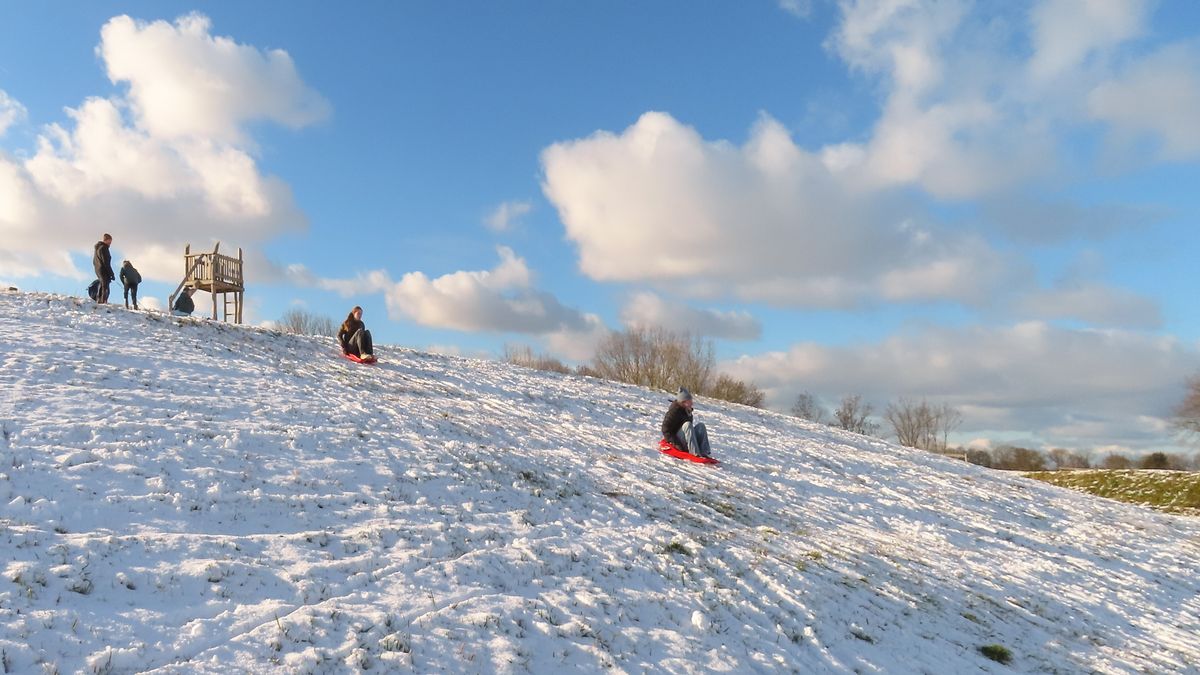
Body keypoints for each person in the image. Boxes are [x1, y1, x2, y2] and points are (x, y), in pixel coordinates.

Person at [661, 387, 712, 458]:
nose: (692, 403)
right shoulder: (674, 411)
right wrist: (676, 444)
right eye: (689, 401)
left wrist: (689, 413)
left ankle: (705, 452)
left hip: (685, 438)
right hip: (677, 439)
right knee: (687, 424)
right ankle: (695, 453)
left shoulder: (687, 410)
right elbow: (665, 429)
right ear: (683, 402)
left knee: (701, 426)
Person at [93, 234, 114, 304]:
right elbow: (106, 262)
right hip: (103, 269)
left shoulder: (98, 248)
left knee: (102, 284)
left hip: (98, 269)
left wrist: (97, 267)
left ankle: (99, 300)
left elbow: (94, 261)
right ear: (106, 240)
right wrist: (111, 273)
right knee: (105, 285)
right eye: (109, 241)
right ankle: (103, 301)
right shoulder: (104, 248)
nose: (110, 243)